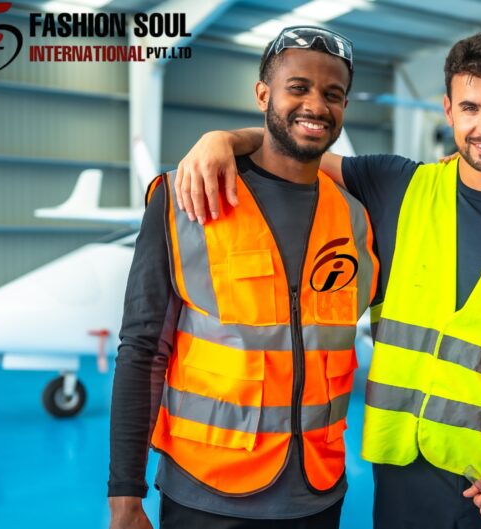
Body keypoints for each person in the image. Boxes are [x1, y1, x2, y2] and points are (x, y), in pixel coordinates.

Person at [174, 33, 481, 529]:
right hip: (400, 484)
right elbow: (292, 146)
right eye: (470, 107)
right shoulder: (397, 186)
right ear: (447, 110)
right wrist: (221, 140)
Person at [108, 26, 377, 529]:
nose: (315, 105)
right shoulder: (185, 199)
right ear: (262, 95)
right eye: (298, 87)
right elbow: (143, 348)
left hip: (318, 492)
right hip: (206, 495)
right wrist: (125, 495)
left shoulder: (358, 218)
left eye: (332, 94)